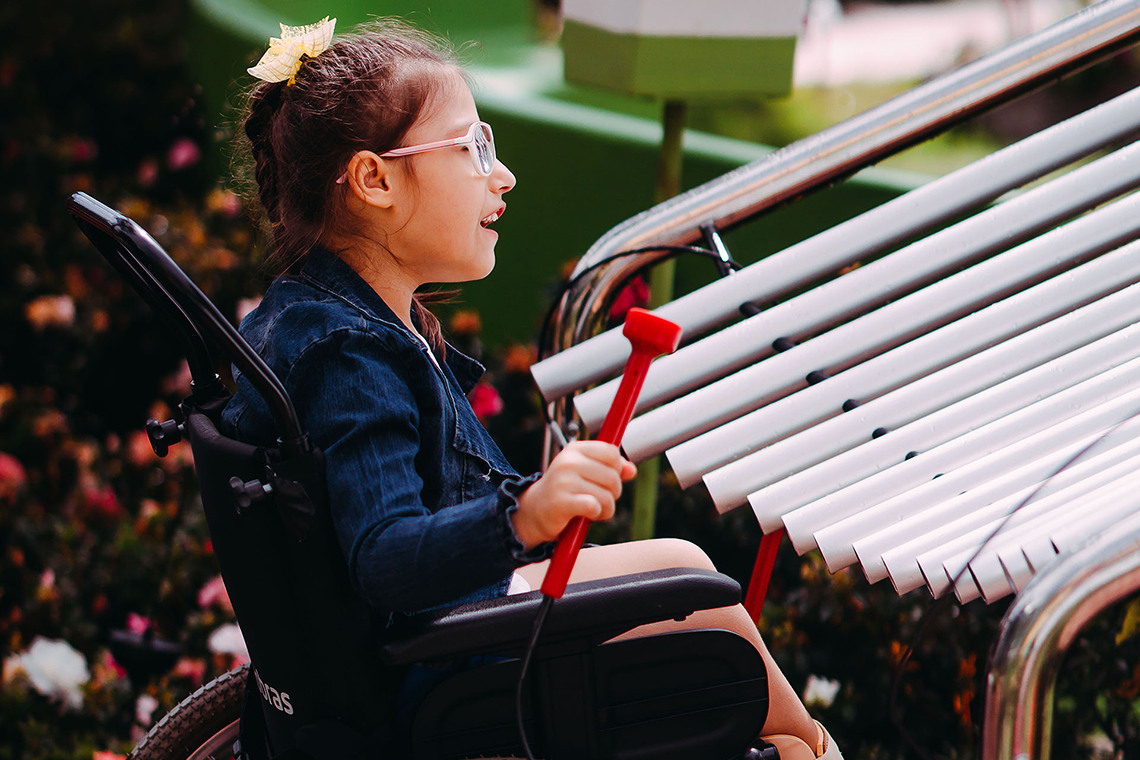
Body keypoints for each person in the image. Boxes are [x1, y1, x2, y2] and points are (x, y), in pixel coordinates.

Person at [223, 16, 841, 760]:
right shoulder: (349, 354)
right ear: (373, 180)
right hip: (439, 666)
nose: (502, 173)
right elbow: (383, 558)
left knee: (691, 571)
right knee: (711, 618)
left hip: (427, 641)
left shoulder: (318, 316)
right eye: (472, 147)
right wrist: (525, 514)